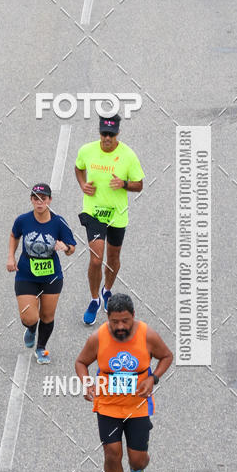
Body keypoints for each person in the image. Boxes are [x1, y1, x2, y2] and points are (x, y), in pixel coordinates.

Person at [75, 293, 173, 472]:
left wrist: (153, 379)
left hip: (137, 405)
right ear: (107, 318)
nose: (120, 326)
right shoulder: (98, 338)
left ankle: (137, 471)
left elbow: (167, 356)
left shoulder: (147, 335)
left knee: (137, 459)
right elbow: (81, 362)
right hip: (107, 405)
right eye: (115, 321)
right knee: (112, 453)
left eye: (125, 321)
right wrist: (87, 382)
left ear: (133, 317)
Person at [74, 113, 144, 326]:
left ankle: (107, 290)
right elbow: (79, 167)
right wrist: (82, 184)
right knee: (96, 259)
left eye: (111, 135)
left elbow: (139, 184)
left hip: (117, 214)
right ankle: (94, 299)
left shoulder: (128, 156)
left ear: (117, 134)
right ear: (100, 133)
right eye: (104, 134)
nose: (107, 138)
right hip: (94, 212)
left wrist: (123, 184)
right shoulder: (87, 150)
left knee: (113, 259)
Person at [7, 183, 76, 364]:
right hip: (26, 275)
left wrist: (65, 247)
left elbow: (72, 248)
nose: (39, 202)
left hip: (51, 277)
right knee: (29, 316)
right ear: (31, 200)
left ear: (49, 200)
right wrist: (11, 257)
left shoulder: (58, 222)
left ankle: (41, 348)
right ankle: (31, 328)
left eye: (43, 199)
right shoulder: (23, 220)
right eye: (35, 199)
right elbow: (14, 235)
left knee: (47, 316)